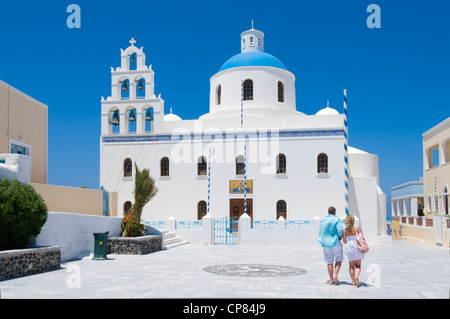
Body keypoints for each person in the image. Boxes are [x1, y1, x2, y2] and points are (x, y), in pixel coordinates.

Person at [318, 206, 344, 285]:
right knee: (339, 259)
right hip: (335, 242)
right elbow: (340, 231)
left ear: (328, 212)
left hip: (325, 244)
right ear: (334, 212)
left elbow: (320, 232)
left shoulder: (323, 220)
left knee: (329, 262)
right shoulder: (337, 219)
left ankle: (331, 280)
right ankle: (335, 274)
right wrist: (340, 236)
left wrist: (322, 242)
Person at [343, 215, 364, 287]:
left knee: (351, 266)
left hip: (349, 247)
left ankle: (353, 282)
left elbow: (345, 241)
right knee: (358, 265)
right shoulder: (357, 228)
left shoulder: (345, 230)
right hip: (357, 246)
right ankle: (357, 276)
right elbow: (362, 237)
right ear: (353, 221)